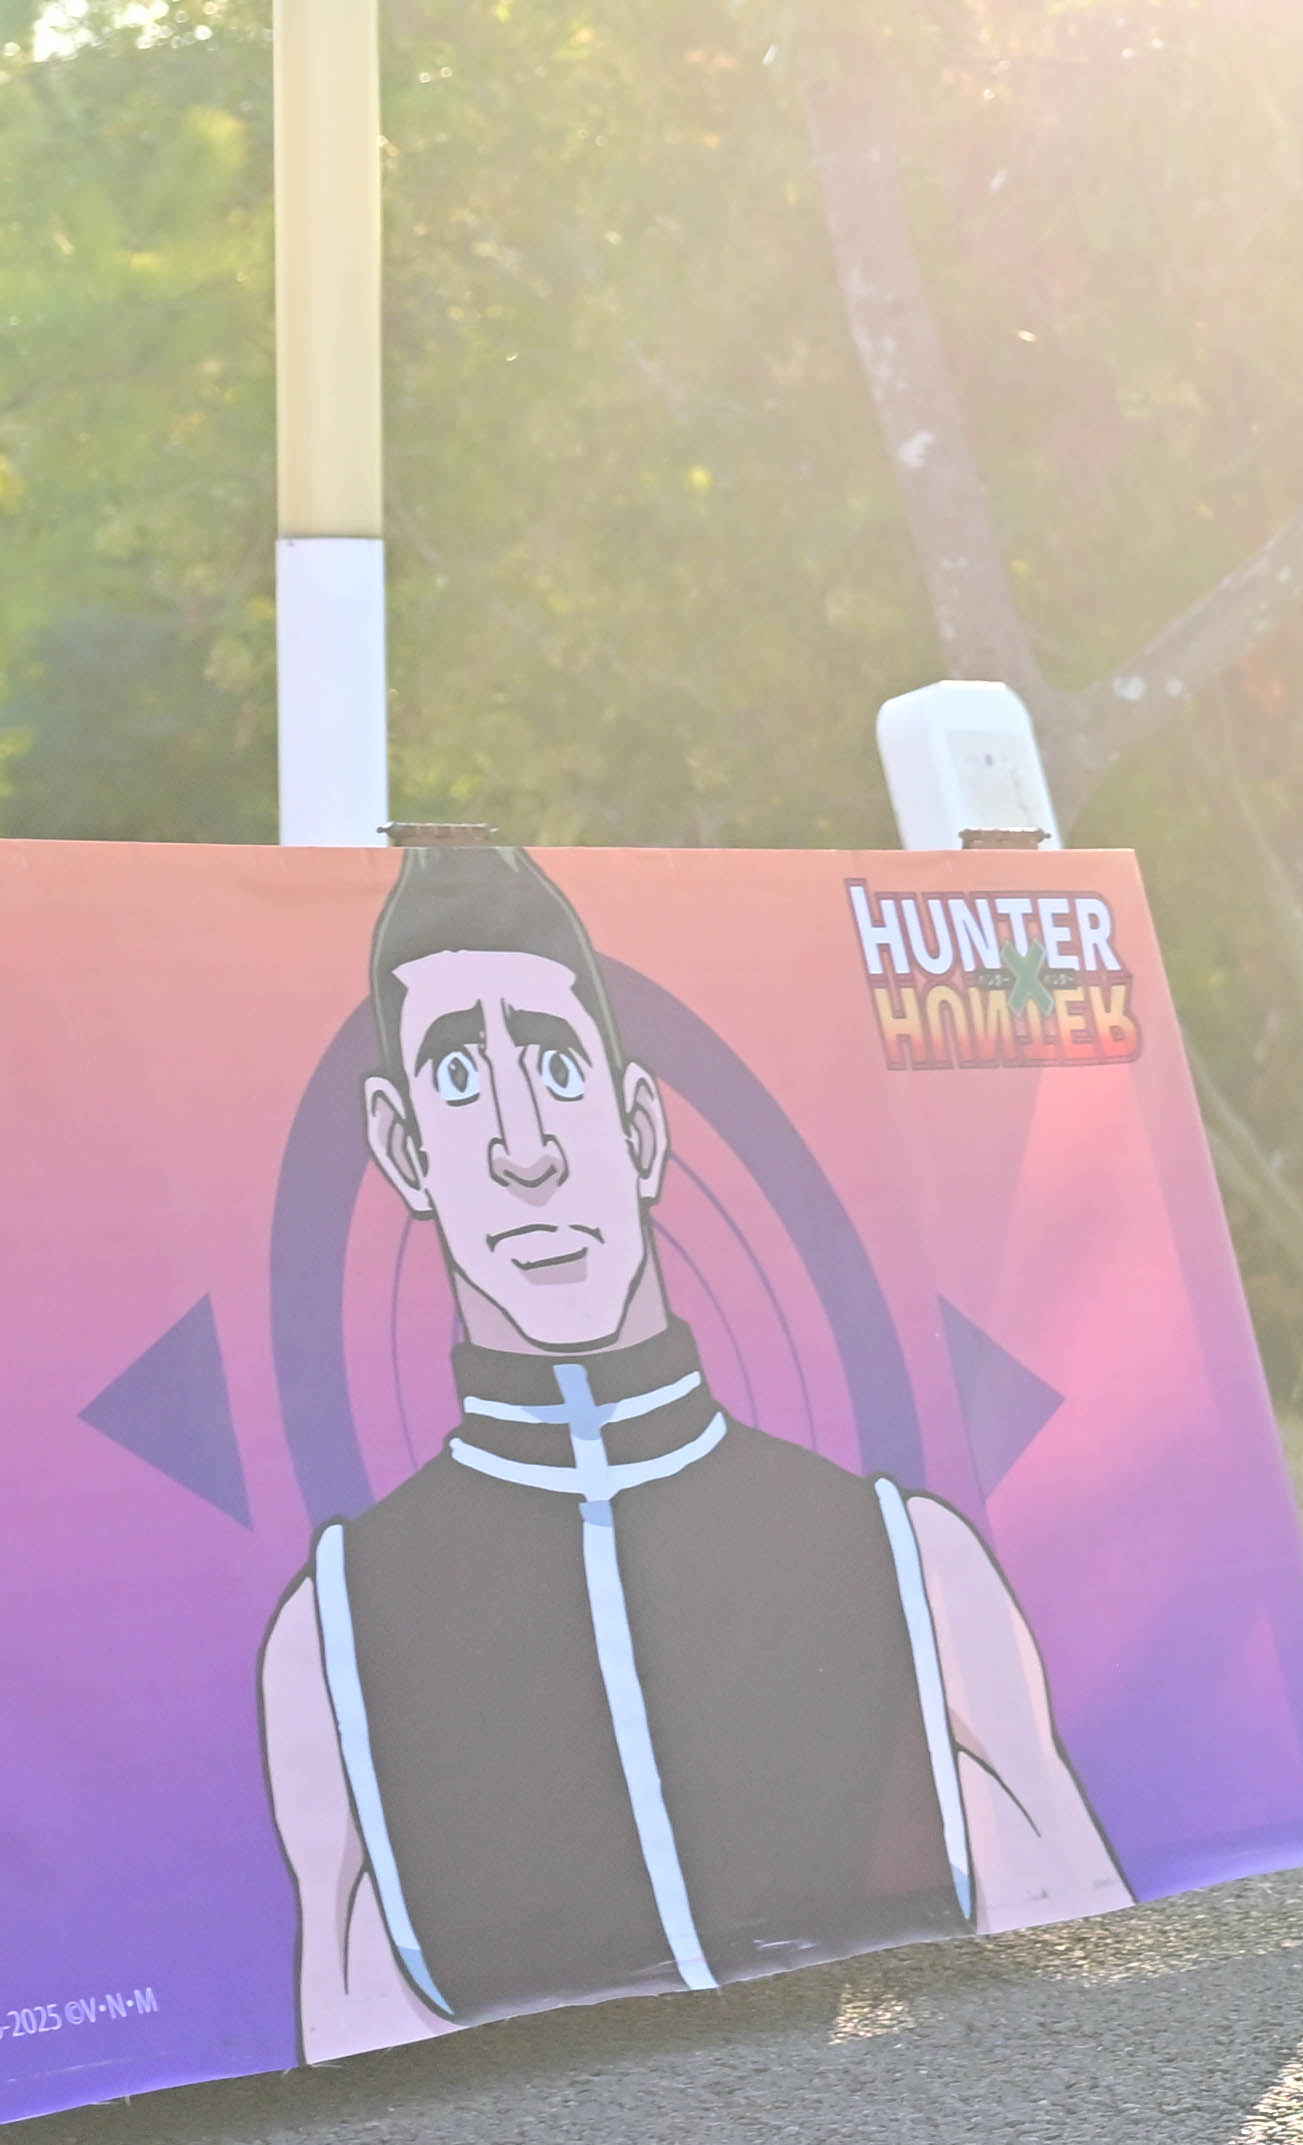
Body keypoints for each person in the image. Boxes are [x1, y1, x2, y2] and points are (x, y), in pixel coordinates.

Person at [258, 844, 1130, 2058]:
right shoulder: (333, 1634)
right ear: (404, 1152)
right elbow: (360, 2078)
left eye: (555, 1069)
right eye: (459, 1078)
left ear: (637, 1128)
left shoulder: (911, 1562)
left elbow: (1091, 2012)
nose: (525, 1150)